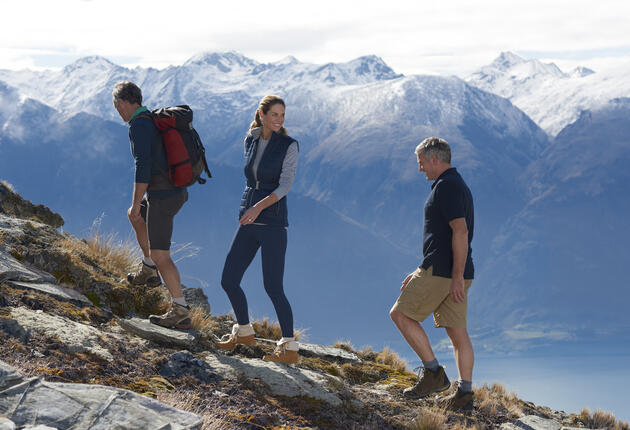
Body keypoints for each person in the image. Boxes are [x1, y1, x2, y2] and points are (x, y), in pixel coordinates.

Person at [389, 137, 475, 411]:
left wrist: (454, 276)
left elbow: (460, 231)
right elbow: (443, 236)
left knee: (401, 315)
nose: (420, 169)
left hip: (442, 272)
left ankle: (433, 374)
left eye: (422, 163)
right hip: (454, 270)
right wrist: (423, 271)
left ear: (435, 159)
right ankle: (464, 395)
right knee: (458, 333)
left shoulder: (446, 187)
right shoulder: (457, 184)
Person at [217, 95, 300, 364]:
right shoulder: (250, 140)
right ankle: (243, 331)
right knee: (229, 279)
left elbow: (284, 186)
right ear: (261, 115)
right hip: (249, 221)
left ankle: (289, 348)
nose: (279, 120)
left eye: (282, 115)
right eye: (274, 114)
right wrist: (247, 209)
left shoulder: (289, 145)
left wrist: (257, 208)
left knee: (273, 287)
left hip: (273, 224)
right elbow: (251, 180)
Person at [112, 81, 191, 330]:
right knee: (134, 217)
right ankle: (148, 268)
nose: (117, 111)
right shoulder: (149, 118)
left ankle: (180, 310)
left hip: (163, 196)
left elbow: (142, 166)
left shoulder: (138, 125)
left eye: (117, 106)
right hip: (171, 191)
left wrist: (137, 201)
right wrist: (136, 207)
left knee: (162, 255)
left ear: (123, 103)